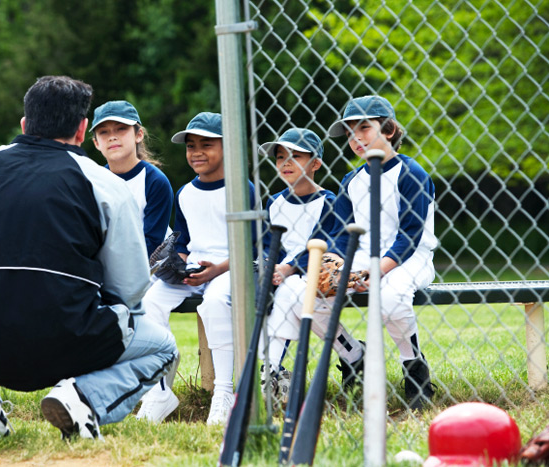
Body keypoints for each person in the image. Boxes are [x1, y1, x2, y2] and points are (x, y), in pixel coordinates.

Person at [0, 75, 178, 444]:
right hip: (71, 346)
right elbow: (130, 286)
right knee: (164, 349)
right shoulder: (104, 183)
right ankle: (83, 397)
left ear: (25, 125)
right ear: (82, 131)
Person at [136, 112, 257, 425]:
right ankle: (160, 391)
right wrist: (175, 264)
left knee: (215, 302)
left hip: (232, 267)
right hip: (195, 270)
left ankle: (223, 392)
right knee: (150, 303)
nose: (197, 152)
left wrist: (216, 269)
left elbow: (252, 246)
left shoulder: (242, 188)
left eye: (207, 144)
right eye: (191, 146)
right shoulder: (185, 193)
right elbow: (185, 241)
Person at [327, 95, 437, 410]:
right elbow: (339, 233)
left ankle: (414, 367)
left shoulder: (410, 173)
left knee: (389, 297)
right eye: (349, 132)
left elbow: (410, 235)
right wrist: (339, 266)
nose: (356, 137)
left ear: (388, 130)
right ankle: (352, 355)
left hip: (412, 258)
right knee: (306, 293)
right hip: (362, 257)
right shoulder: (351, 181)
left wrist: (375, 271)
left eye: (364, 127)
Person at [258, 128, 365, 410]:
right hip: (286, 278)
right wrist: (272, 264)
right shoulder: (275, 202)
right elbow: (271, 244)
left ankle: (270, 368)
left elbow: (326, 244)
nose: (286, 163)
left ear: (316, 163)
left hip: (319, 278)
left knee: (294, 292)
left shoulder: (328, 202)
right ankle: (353, 353)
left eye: (296, 156)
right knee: (290, 294)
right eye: (280, 157)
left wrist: (290, 268)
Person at [91, 100, 173, 257]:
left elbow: (152, 243)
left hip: (150, 270)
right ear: (96, 143)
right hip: (106, 267)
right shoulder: (94, 181)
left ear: (139, 135)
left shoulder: (155, 182)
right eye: (104, 132)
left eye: (121, 129)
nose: (112, 137)